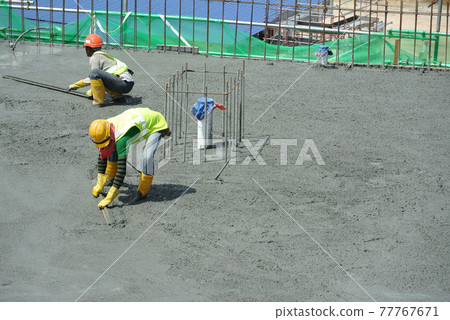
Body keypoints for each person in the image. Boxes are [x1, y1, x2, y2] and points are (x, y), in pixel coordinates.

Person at [89, 107, 171, 208]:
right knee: (109, 148)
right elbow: (102, 154)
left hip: (155, 123)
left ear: (108, 137)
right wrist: (99, 184)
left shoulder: (121, 138)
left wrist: (111, 195)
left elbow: (122, 169)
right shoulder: (104, 129)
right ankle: (110, 178)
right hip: (138, 116)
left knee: (147, 156)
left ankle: (142, 192)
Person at [68, 33, 134, 106]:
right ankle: (118, 97)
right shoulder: (102, 55)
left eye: (86, 48)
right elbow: (100, 80)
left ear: (89, 48)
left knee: (94, 72)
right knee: (94, 87)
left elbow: (93, 76)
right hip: (127, 84)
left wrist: (76, 85)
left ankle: (98, 101)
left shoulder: (95, 57)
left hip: (123, 84)